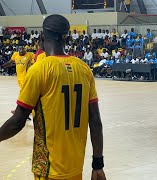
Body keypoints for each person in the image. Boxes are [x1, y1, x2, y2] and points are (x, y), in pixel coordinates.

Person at [0, 14, 106, 180]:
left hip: (49, 170)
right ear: (68, 38)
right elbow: (95, 120)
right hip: (76, 169)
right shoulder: (84, 69)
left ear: (42, 37)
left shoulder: (39, 70)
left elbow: (17, 122)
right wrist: (98, 164)